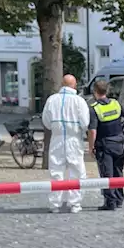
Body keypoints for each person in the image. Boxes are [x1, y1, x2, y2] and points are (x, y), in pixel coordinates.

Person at [88, 79, 124, 211]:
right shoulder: (116, 104)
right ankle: (119, 199)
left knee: (107, 174)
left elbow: (93, 131)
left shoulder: (95, 108)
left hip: (105, 145)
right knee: (118, 172)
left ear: (95, 91)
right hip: (119, 144)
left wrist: (91, 146)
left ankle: (110, 202)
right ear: (107, 91)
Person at [41, 74, 91, 213]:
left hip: (57, 139)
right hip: (74, 139)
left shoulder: (52, 100)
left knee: (56, 171)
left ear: (62, 85)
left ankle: (55, 204)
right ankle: (75, 203)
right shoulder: (79, 101)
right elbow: (85, 123)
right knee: (77, 171)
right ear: (74, 85)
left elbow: (46, 121)